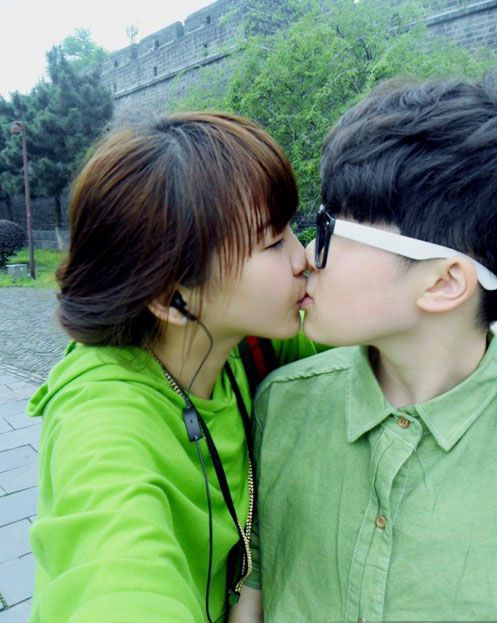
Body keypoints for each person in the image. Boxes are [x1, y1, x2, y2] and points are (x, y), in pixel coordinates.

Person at [26, 112, 322, 623]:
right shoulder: (102, 422)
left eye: (293, 231)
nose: (305, 257)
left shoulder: (248, 343)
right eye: (273, 243)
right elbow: (113, 568)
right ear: (171, 297)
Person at [230, 76, 497, 622]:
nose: (308, 256)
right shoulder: (285, 405)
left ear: (444, 282)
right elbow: (254, 594)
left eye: (329, 231)